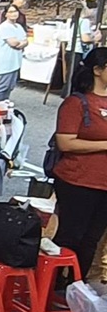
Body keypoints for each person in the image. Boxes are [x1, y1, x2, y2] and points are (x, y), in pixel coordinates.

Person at [53, 48, 107, 281]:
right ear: (97, 70)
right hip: (77, 181)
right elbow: (65, 142)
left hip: (104, 185)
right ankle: (52, 283)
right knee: (70, 236)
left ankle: (76, 286)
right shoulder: (76, 103)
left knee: (91, 240)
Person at [0, 3, 28, 104]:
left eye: (15, 11)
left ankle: (3, 106)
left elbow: (26, 41)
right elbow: (13, 43)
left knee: (10, 87)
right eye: (10, 12)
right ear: (6, 14)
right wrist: (20, 42)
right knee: (3, 86)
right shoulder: (4, 27)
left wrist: (21, 43)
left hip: (15, 62)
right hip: (6, 62)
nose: (14, 14)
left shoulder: (18, 26)